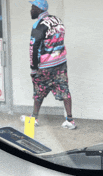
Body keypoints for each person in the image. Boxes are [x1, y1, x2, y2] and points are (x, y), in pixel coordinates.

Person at [20, 0, 76, 130]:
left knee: (39, 90)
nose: (31, 10)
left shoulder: (38, 26)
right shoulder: (58, 20)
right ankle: (70, 120)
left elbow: (33, 49)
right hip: (60, 63)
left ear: (39, 9)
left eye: (33, 7)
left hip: (45, 66)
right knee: (64, 89)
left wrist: (33, 69)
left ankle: (33, 119)